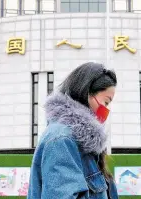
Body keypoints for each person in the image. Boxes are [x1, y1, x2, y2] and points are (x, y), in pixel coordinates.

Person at [28, 62, 119, 199]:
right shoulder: (62, 139)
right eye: (106, 102)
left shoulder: (80, 142)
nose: (106, 110)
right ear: (86, 93)